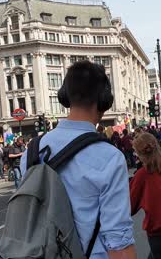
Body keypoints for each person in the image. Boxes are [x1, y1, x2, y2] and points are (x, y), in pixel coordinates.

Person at [20, 61, 136, 258]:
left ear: (65, 96)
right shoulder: (109, 157)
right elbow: (118, 241)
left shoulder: (32, 150)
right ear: (104, 100)